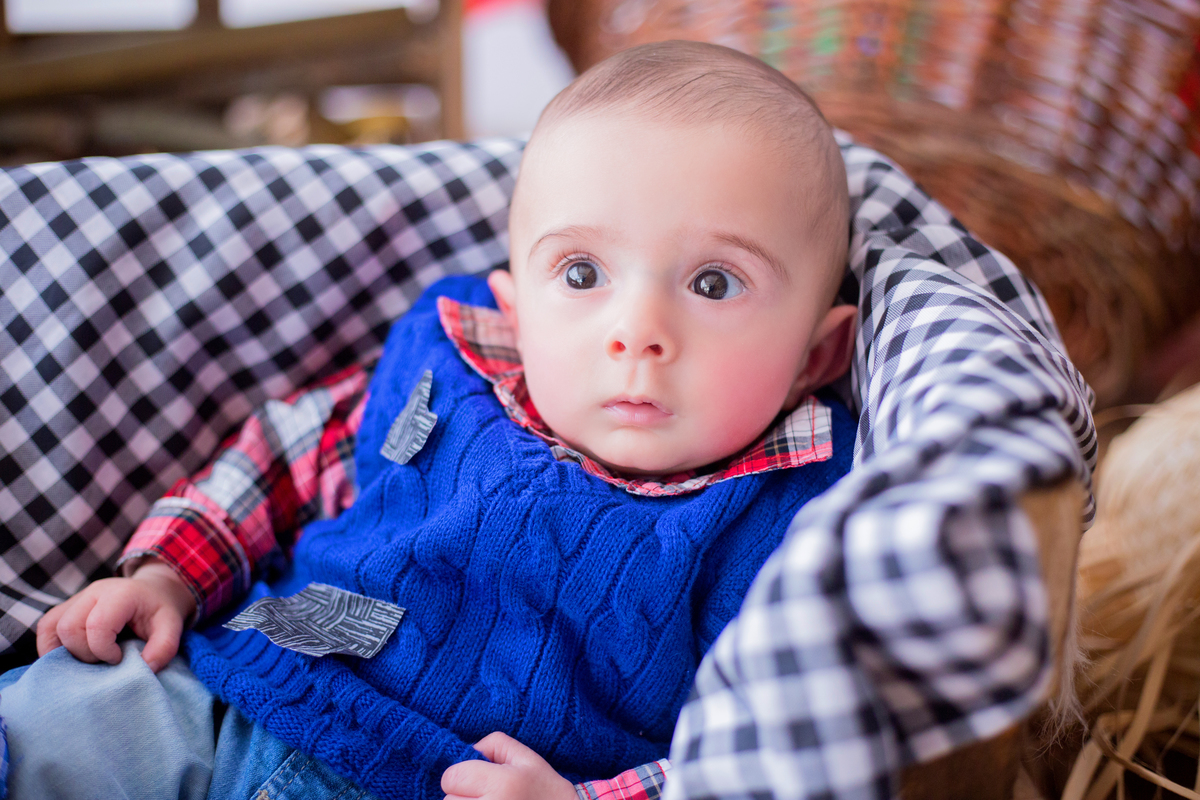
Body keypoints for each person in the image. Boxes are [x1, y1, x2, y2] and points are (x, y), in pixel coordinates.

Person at [1, 41, 861, 800]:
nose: (637, 331)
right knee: (65, 713)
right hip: (240, 688)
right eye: (583, 271)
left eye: (714, 283)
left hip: (456, 781)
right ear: (515, 307)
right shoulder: (452, 366)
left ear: (817, 357)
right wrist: (166, 577)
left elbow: (768, 741)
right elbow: (291, 455)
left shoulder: (800, 517)